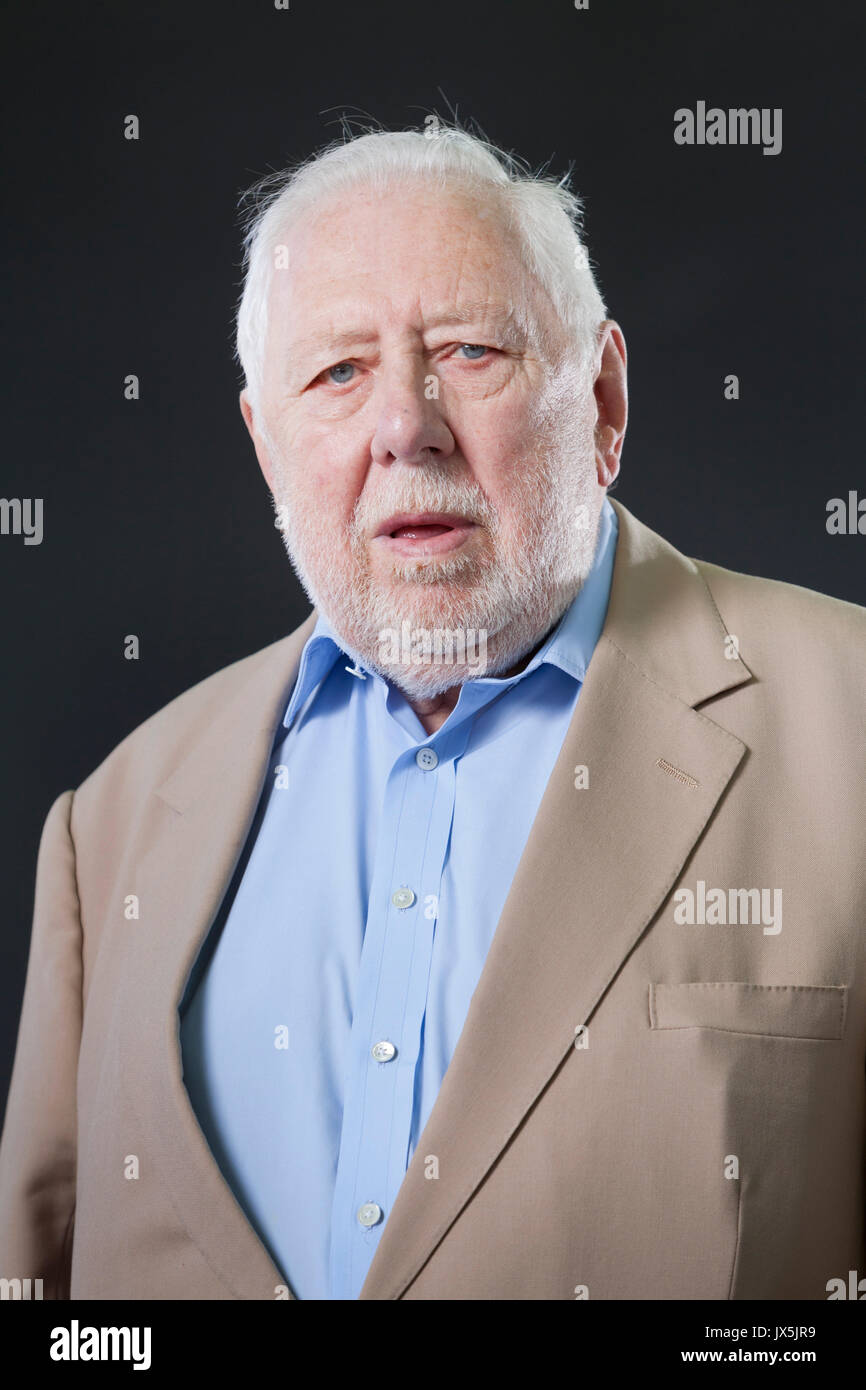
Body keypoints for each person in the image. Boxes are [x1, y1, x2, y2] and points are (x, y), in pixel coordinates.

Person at [1, 124, 863, 1301]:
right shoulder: (108, 831)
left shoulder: (847, 727)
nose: (404, 423)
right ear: (266, 445)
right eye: (337, 372)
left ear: (602, 399)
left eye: (467, 349)